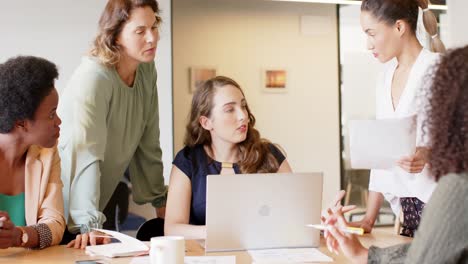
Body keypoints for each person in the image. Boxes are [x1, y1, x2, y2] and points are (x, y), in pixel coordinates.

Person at [324, 45, 468, 264]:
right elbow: (424, 252)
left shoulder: (459, 188)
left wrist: (362, 255)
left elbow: (423, 258)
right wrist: (363, 251)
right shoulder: (386, 77)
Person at [58, 0, 167, 248]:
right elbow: (87, 154)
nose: (152, 38)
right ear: (116, 35)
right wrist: (88, 225)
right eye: (140, 31)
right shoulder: (94, 78)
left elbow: (149, 139)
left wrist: (160, 200)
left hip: (95, 203)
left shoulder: (146, 70)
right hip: (64, 208)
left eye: (154, 27)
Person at [344, 0, 446, 237]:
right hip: (408, 212)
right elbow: (382, 157)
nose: (368, 44)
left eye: (372, 33)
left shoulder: (437, 69)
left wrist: (427, 153)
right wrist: (369, 218)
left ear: (399, 27)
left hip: (441, 206)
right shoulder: (385, 77)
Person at [164, 76, 293, 239]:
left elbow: (296, 214)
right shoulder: (188, 161)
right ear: (206, 123)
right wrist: (222, 232)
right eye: (230, 109)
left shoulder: (269, 155)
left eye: (243, 106)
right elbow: (172, 229)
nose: (243, 116)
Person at [0, 56, 65, 249]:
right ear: (21, 122)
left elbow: (55, 223)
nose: (59, 121)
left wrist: (19, 236)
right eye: (51, 114)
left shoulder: (47, 153)